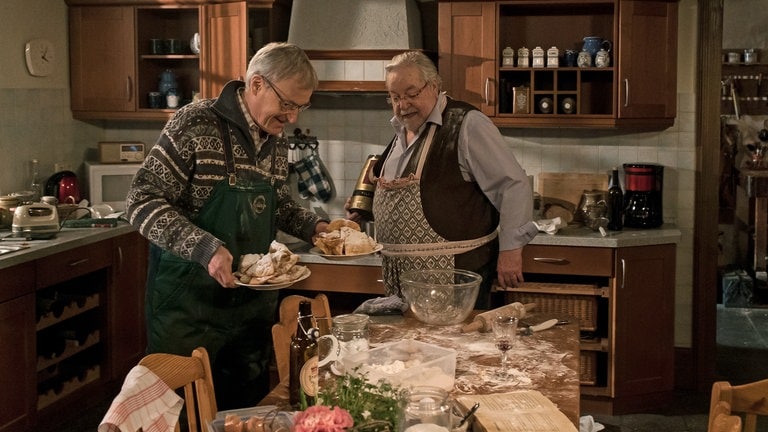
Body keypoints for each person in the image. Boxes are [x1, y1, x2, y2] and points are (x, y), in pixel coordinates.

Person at [126, 42, 328, 409]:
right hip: (188, 311)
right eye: (287, 104)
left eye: (301, 106)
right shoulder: (196, 123)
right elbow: (141, 200)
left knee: (244, 416)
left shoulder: (276, 140)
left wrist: (316, 228)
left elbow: (276, 204)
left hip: (248, 315)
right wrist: (206, 248)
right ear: (256, 85)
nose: (293, 117)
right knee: (180, 417)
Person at [347, 51, 537, 309]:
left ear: (434, 86)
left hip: (455, 277)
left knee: (453, 348)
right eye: (395, 97)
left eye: (411, 94)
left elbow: (513, 185)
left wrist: (511, 250)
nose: (403, 105)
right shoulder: (402, 132)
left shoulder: (467, 124)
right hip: (401, 283)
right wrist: (364, 213)